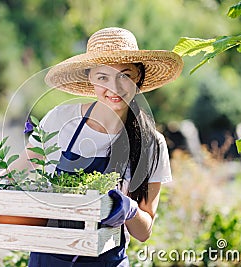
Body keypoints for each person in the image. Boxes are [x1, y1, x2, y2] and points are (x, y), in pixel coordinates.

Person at [10, 27, 183, 266]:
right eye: (103, 77)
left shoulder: (151, 143)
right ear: (90, 79)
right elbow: (18, 171)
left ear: (139, 78)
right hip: (49, 256)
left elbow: (144, 233)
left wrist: (129, 209)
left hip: (107, 261)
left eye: (125, 75)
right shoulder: (61, 119)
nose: (115, 87)